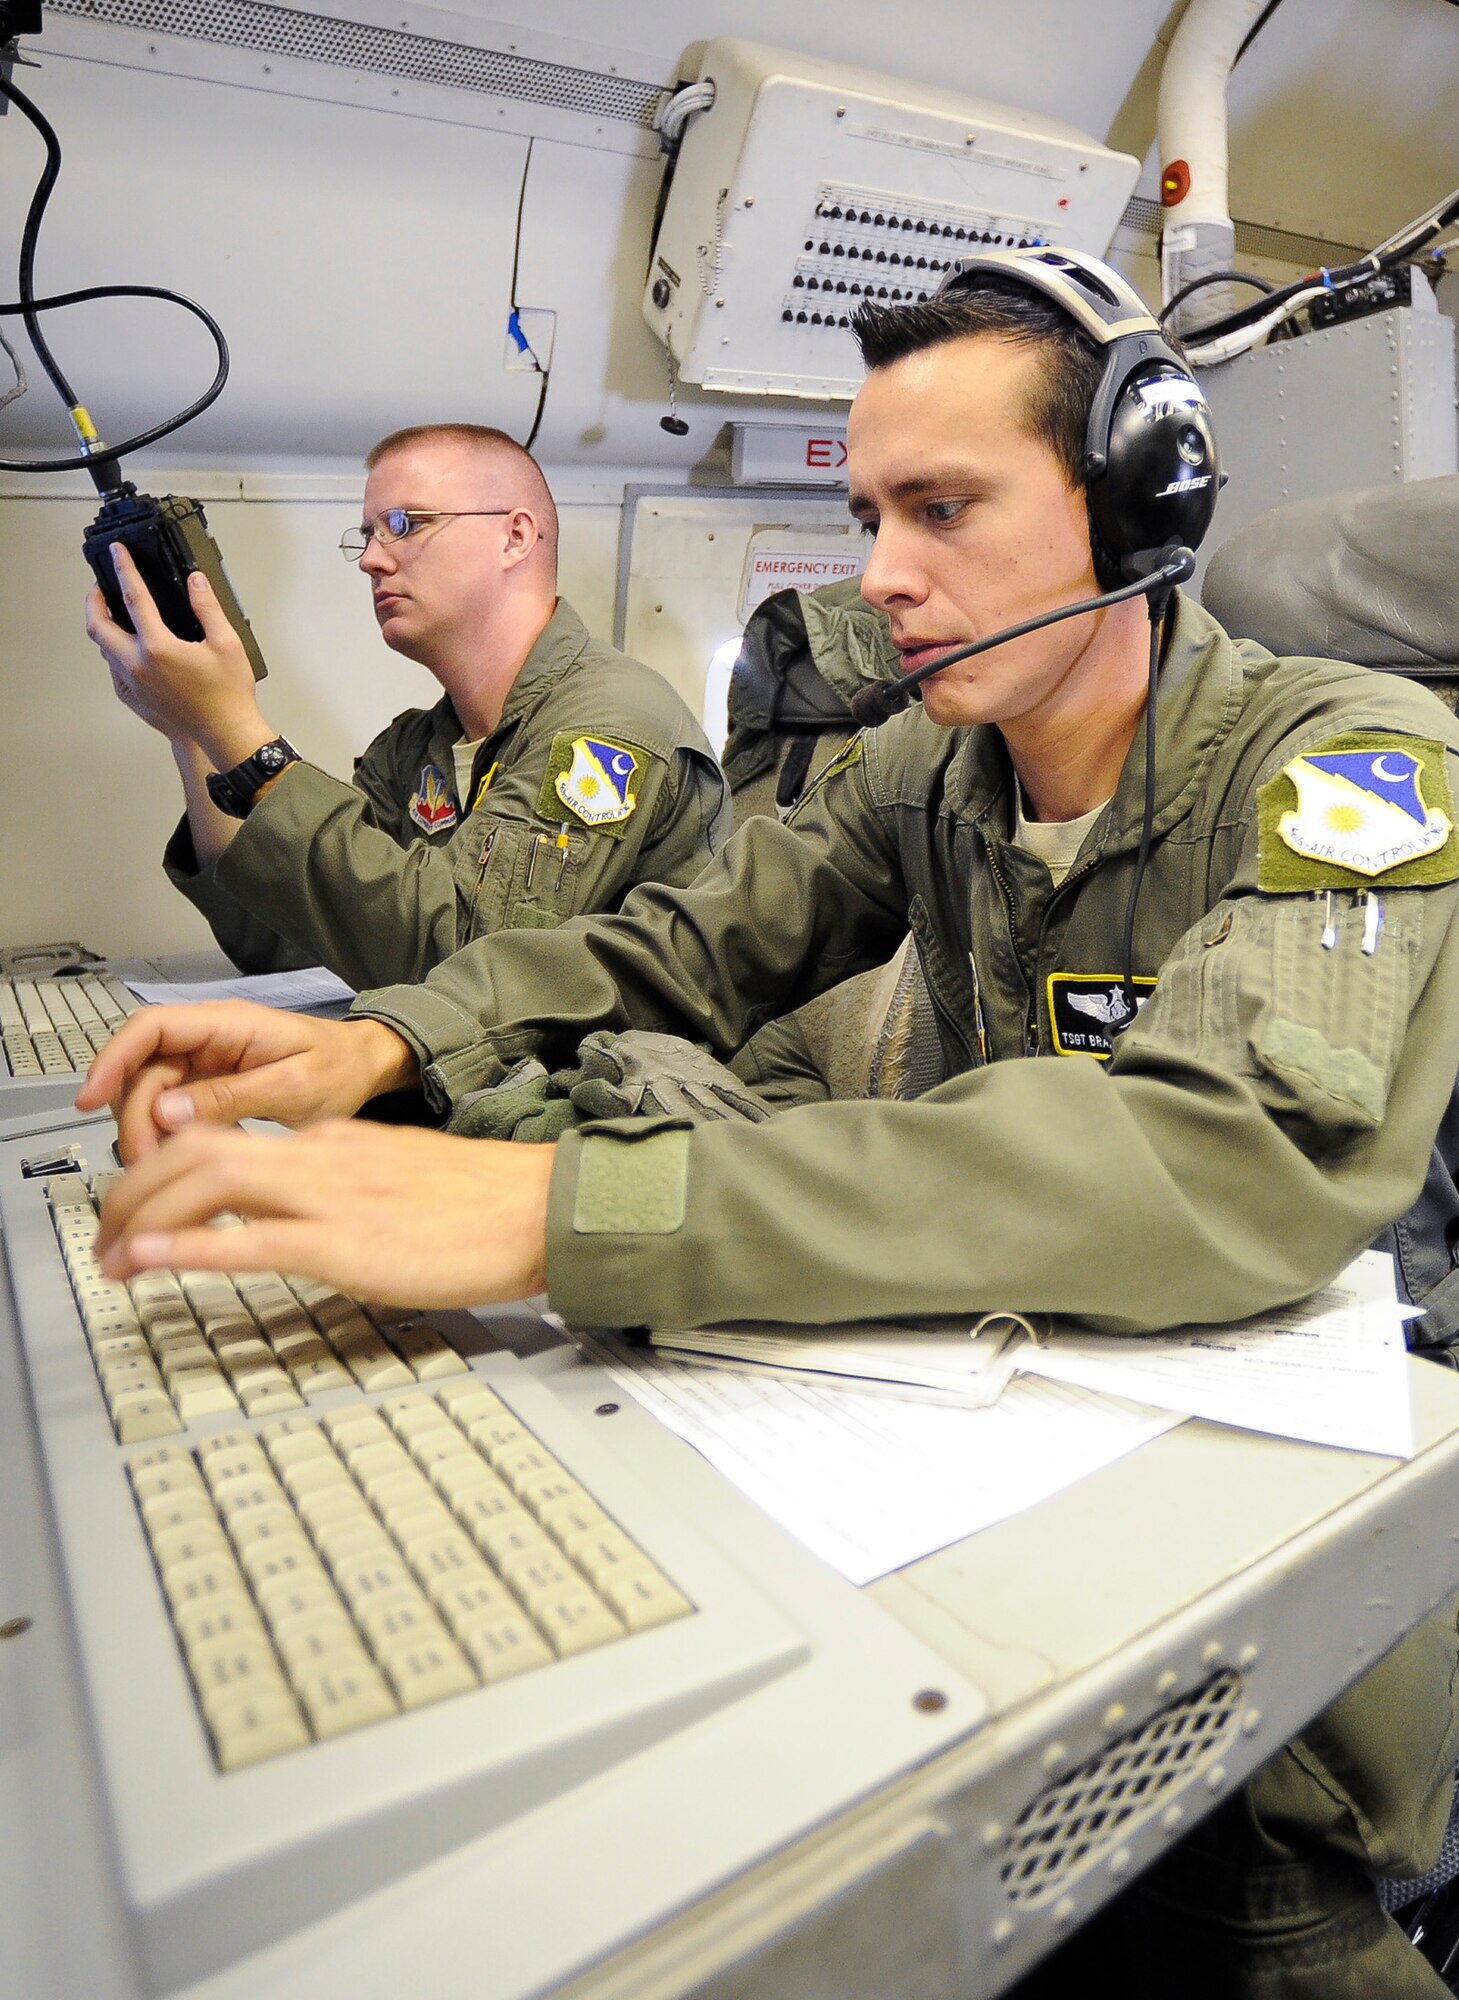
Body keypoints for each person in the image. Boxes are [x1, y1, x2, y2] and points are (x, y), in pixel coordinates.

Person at [85, 250, 1459, 1995]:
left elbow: (1227, 1151)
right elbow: (678, 946)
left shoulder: (1348, 757)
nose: (880, 578)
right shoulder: (925, 770)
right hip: (1037, 1437)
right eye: (868, 513)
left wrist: (556, 1214)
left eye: (940, 509)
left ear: (1136, 505)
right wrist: (389, 1047)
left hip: (1315, 1590)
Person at [84, 423, 730, 990]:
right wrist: (196, 734)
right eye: (367, 533)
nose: (370, 558)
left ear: (514, 536)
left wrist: (236, 728)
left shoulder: (609, 722)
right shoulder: (418, 748)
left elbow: (474, 966)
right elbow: (275, 939)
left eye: (404, 525)